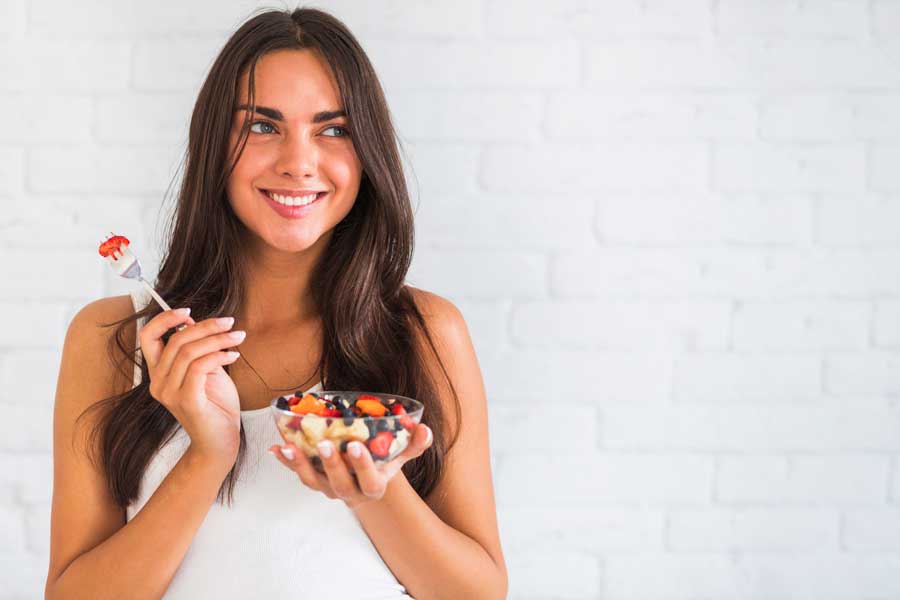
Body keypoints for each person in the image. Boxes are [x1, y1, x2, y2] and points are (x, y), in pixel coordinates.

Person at [45, 7, 507, 599]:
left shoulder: (425, 331)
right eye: (263, 126)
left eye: (333, 129)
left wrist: (373, 488)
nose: (298, 162)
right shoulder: (113, 338)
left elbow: (479, 593)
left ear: (367, 152)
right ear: (214, 145)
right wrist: (208, 455)